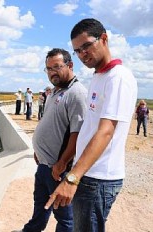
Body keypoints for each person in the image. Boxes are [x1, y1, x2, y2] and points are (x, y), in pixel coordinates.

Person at [45, 18, 138, 232]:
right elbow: (88, 127)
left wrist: (72, 178)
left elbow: (106, 131)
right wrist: (67, 161)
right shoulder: (99, 76)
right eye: (77, 50)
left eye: (86, 45)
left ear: (104, 39)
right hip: (87, 173)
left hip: (99, 179)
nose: (82, 54)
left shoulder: (118, 78)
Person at [22, 48, 87, 232]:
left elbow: (78, 134)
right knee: (40, 208)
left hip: (57, 170)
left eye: (57, 67)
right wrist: (38, 150)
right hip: (43, 165)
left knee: (65, 218)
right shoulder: (55, 92)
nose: (52, 72)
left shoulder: (77, 93)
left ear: (70, 65)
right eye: (48, 69)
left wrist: (62, 163)